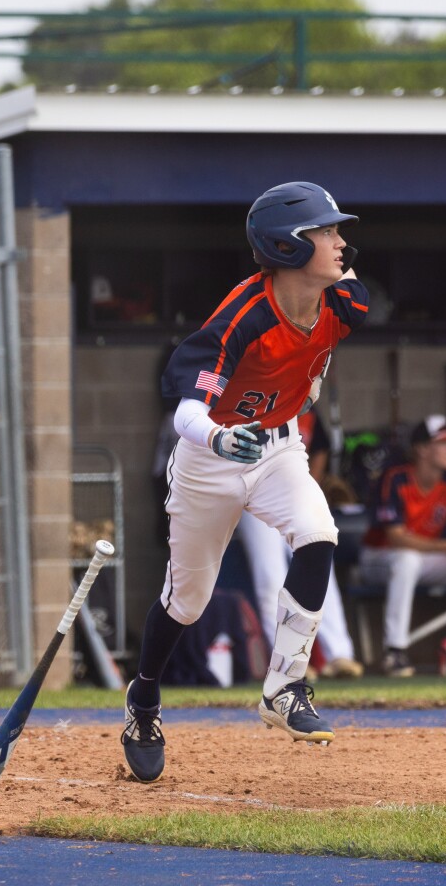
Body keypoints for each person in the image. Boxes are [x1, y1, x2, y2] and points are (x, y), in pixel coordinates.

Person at [122, 181, 368, 784]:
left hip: (279, 447)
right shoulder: (243, 314)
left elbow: (318, 350)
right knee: (188, 601)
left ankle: (284, 687)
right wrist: (218, 437)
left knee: (318, 533)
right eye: (326, 231)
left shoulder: (346, 300)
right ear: (286, 247)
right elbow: (184, 409)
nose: (341, 241)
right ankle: (143, 701)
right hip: (210, 459)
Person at [360, 415, 446, 678]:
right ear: (422, 449)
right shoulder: (396, 478)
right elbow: (396, 538)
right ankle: (395, 651)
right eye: (445, 442)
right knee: (406, 559)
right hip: (380, 558)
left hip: (425, 558)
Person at [235, 408, 364, 679]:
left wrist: (310, 485)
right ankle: (287, 662)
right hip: (254, 496)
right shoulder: (247, 400)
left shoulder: (302, 400)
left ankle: (339, 654)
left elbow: (320, 446)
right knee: (271, 578)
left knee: (319, 565)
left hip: (294, 495)